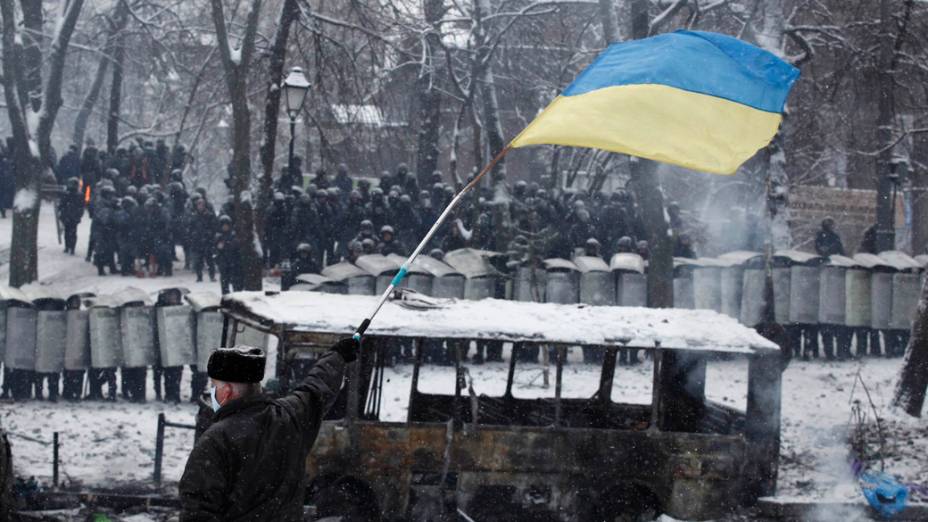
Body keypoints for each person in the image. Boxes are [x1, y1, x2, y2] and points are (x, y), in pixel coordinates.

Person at [178, 340, 354, 520]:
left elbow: (197, 510)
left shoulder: (216, 440)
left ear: (228, 391)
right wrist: (337, 356)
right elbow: (316, 389)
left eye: (215, 386)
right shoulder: (290, 417)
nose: (213, 394)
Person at [188, 198, 218, 282]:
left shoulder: (209, 215)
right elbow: (190, 228)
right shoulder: (194, 216)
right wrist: (193, 235)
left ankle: (212, 276)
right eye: (198, 205)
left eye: (201, 205)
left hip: (207, 242)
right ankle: (199, 276)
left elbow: (214, 227)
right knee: (198, 261)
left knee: (209, 260)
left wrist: (209, 234)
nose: (200, 207)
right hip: (197, 242)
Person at [216, 215, 243, 295]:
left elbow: (237, 247)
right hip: (224, 263)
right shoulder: (219, 237)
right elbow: (216, 249)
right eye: (223, 225)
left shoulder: (233, 236)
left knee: (236, 284)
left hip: (233, 263)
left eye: (226, 225)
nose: (225, 227)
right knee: (225, 284)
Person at [60, 177, 85, 255]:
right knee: (71, 232)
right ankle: (70, 247)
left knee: (69, 232)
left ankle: (69, 247)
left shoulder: (70, 194)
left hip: (70, 215)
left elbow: (62, 205)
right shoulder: (77, 195)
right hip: (71, 215)